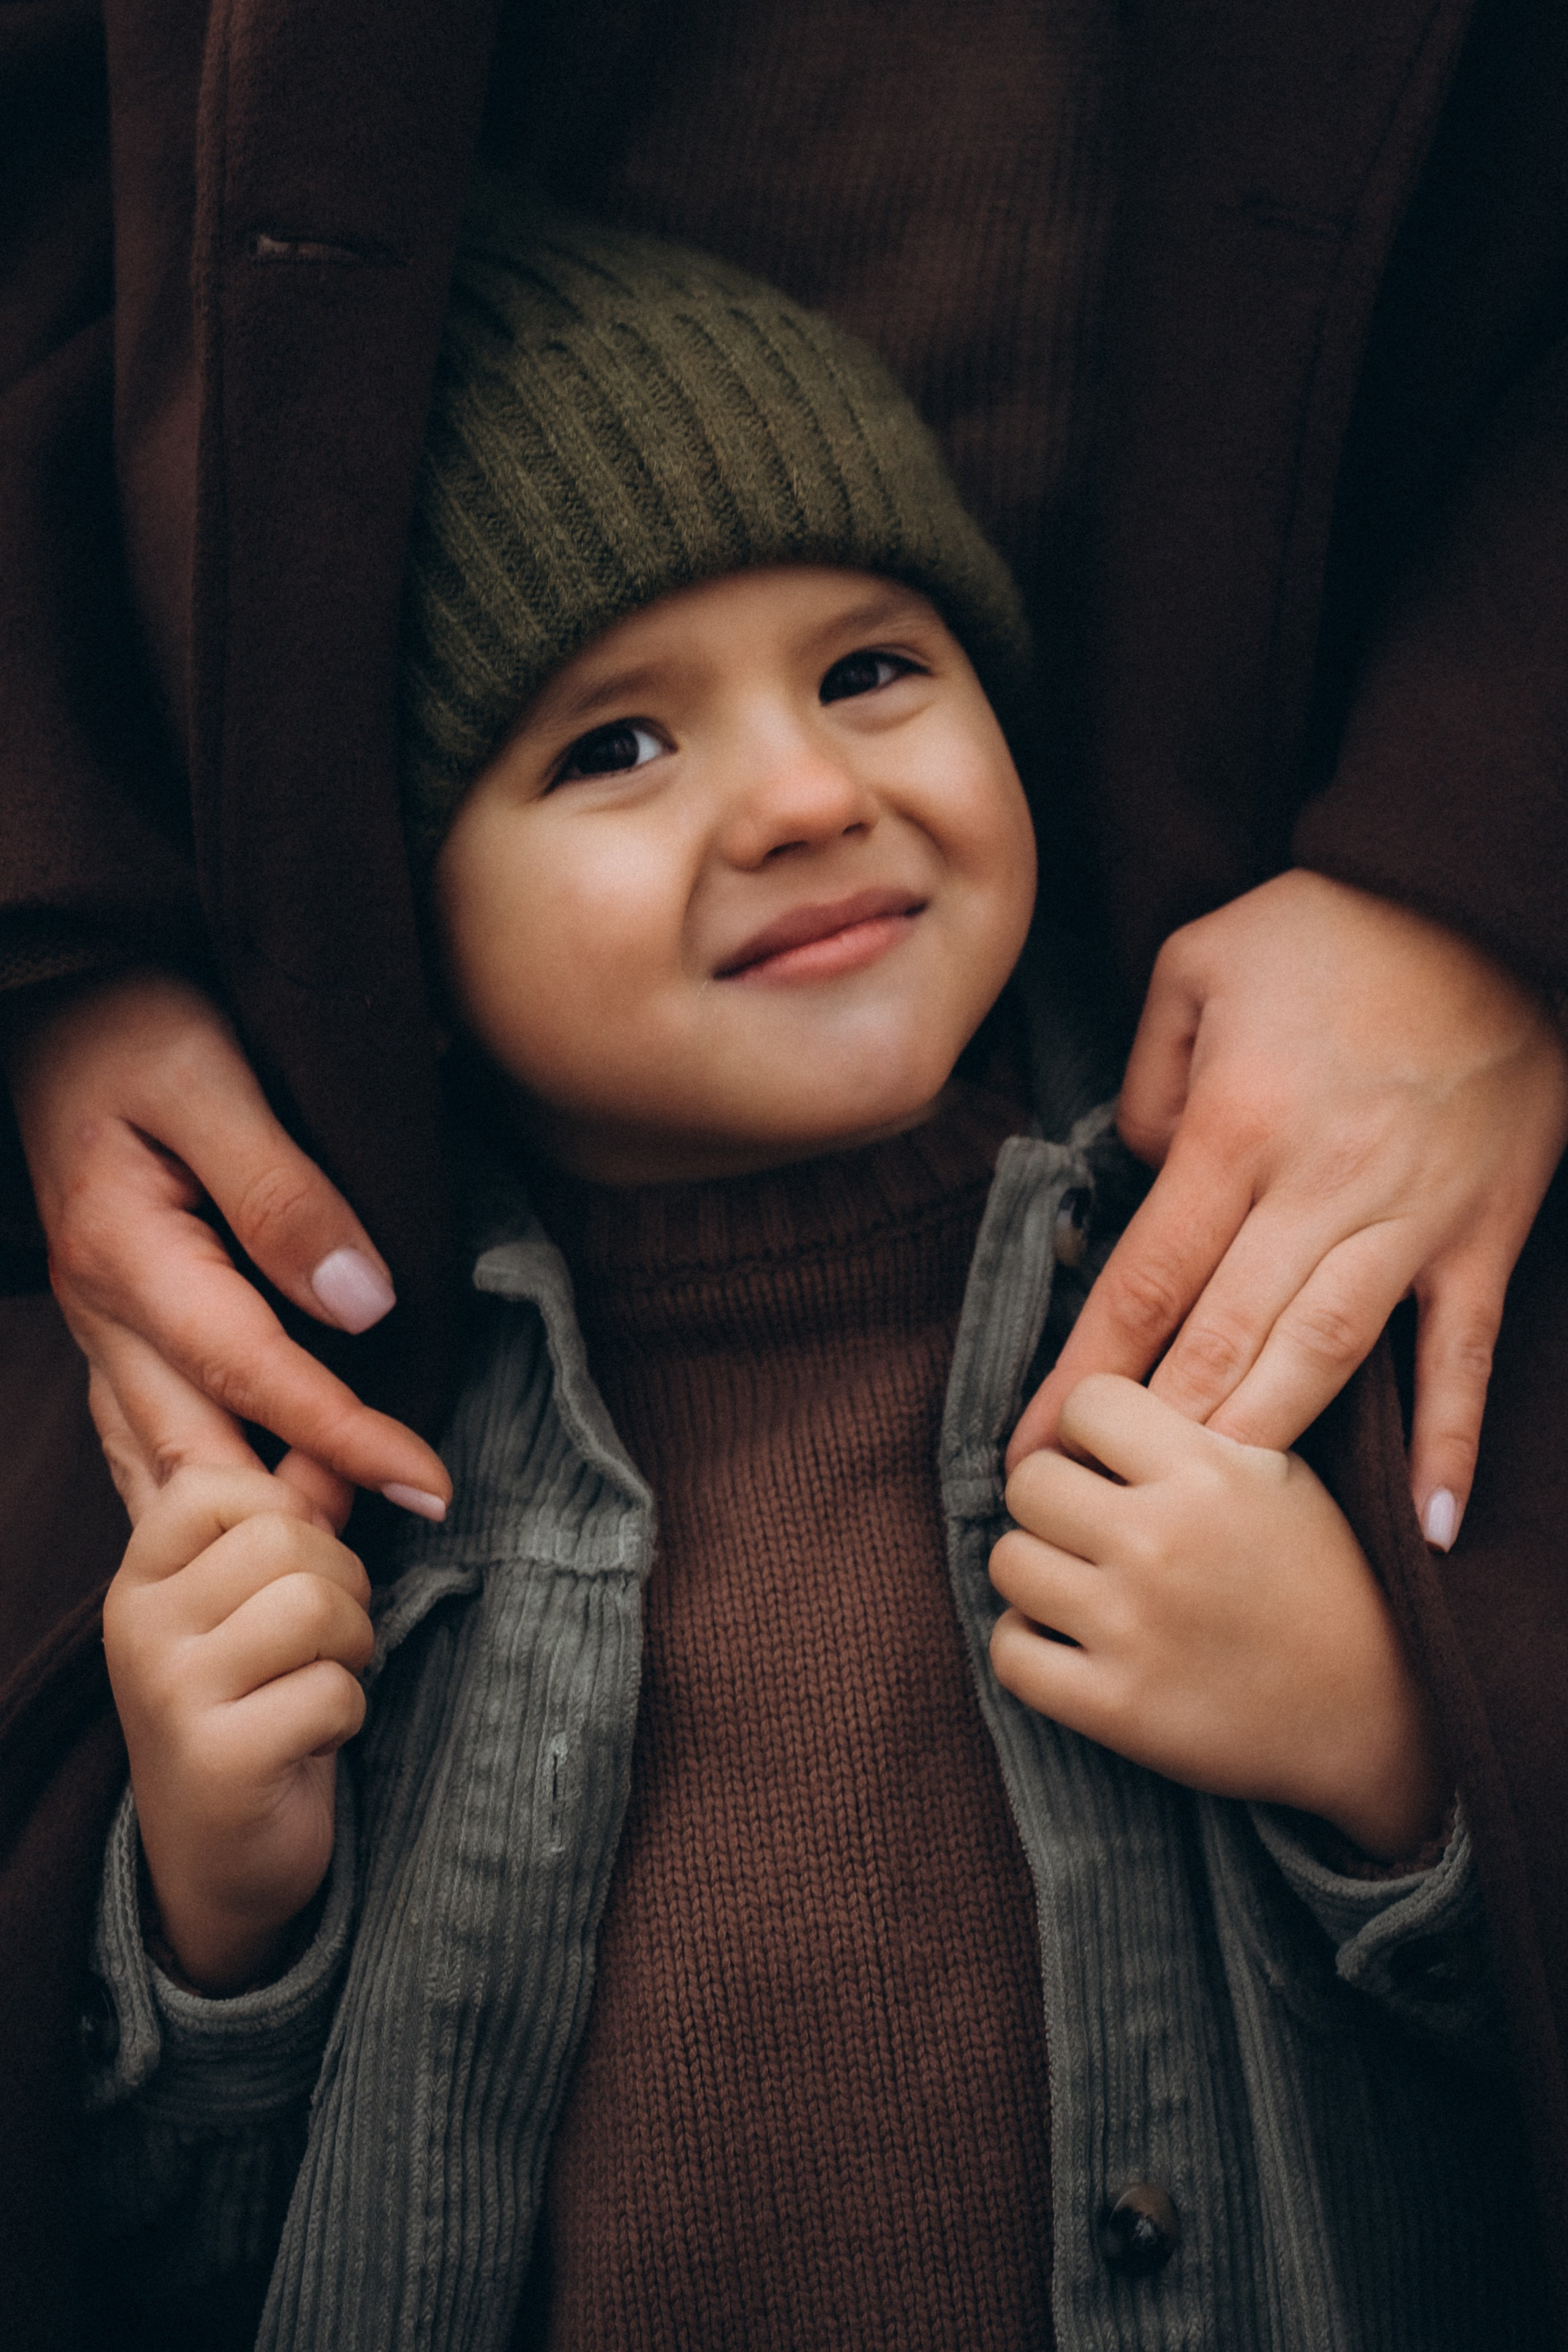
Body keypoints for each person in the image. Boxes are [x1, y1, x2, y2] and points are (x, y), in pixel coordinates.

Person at [3, 3, 1568, 2336]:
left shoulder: (1284, 1318)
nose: (810, 795)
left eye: (872, 669)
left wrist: (1390, 1758)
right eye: (617, 743)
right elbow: (162, 2245)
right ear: (401, 933)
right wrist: (219, 1922)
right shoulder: (331, 1450)